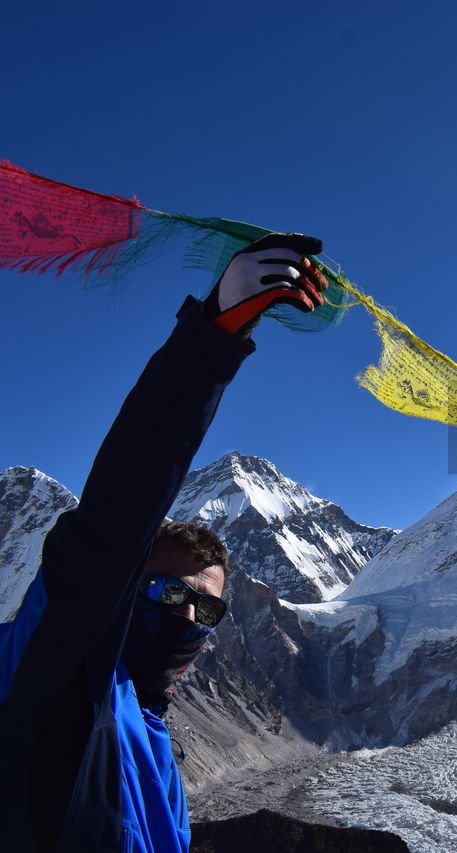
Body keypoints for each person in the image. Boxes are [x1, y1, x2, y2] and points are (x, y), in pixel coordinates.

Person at [0, 233, 329, 852]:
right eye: (165, 590)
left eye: (205, 608)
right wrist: (214, 335)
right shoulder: (56, 681)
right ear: (124, 586)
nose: (186, 615)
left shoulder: (155, 745)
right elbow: (119, 508)